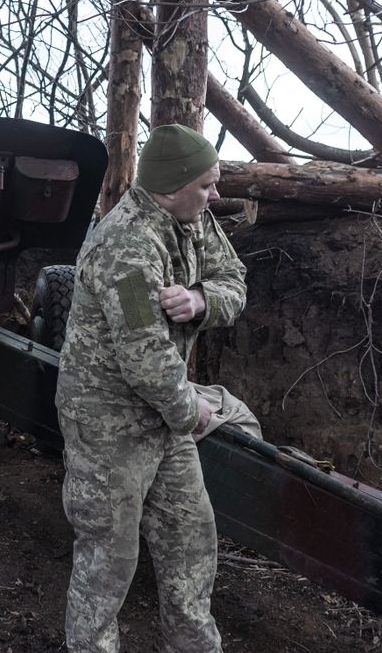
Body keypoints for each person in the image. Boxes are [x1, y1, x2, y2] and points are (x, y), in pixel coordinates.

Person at [55, 124, 247, 652]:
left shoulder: (193, 220)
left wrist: (202, 299)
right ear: (172, 185)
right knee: (109, 560)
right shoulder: (125, 248)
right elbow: (143, 355)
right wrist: (195, 414)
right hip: (108, 426)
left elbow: (234, 278)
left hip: (163, 416)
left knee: (191, 539)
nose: (216, 195)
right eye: (207, 185)